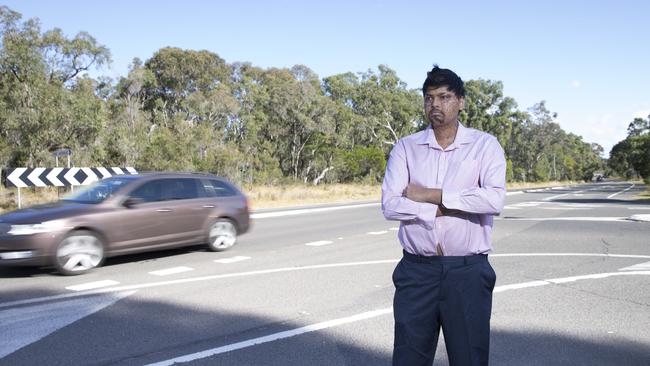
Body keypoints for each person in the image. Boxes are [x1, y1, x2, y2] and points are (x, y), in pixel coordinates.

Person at [381, 66, 506, 366]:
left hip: (467, 272)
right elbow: (390, 204)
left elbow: (493, 199)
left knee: (469, 358)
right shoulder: (406, 148)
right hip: (416, 271)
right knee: (409, 358)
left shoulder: (484, 145)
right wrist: (447, 205)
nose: (435, 104)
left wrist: (431, 194)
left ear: (461, 101)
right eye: (429, 98)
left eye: (444, 96)